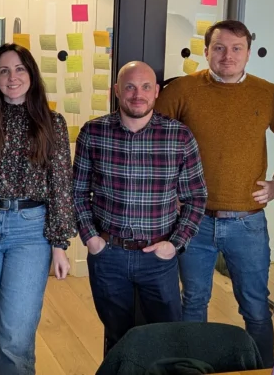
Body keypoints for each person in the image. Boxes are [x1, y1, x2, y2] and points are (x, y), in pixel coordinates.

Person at [155, 20, 274, 367]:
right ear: (206, 51)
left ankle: (262, 371)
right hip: (193, 221)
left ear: (248, 53)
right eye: (219, 48)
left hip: (247, 223)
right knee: (193, 301)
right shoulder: (183, 90)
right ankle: (193, 369)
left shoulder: (268, 93)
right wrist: (167, 191)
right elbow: (152, 139)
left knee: (255, 307)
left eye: (237, 49)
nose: (227, 56)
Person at [73, 61, 208, 353]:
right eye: (130, 87)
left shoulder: (179, 136)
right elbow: (77, 192)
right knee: (117, 339)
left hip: (158, 258)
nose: (138, 94)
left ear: (156, 91)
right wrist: (92, 239)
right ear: (116, 91)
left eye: (146, 87)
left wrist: (174, 245)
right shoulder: (93, 133)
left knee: (167, 338)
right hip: (108, 255)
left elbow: (196, 198)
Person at [0, 43, 76, 375]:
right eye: (4, 71)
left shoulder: (52, 122)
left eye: (20, 69)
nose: (12, 77)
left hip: (30, 231)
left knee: (16, 337)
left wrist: (59, 244)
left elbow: (60, 184)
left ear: (32, 74)